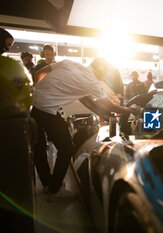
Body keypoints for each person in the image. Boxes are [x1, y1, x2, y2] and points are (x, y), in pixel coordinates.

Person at [31, 57, 139, 201]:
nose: (105, 76)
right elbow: (110, 106)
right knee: (66, 148)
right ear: (101, 70)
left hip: (34, 106)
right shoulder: (91, 81)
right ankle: (54, 190)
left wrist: (41, 92)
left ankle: (46, 183)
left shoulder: (69, 63)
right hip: (48, 111)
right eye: (106, 73)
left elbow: (39, 73)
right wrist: (132, 110)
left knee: (39, 147)